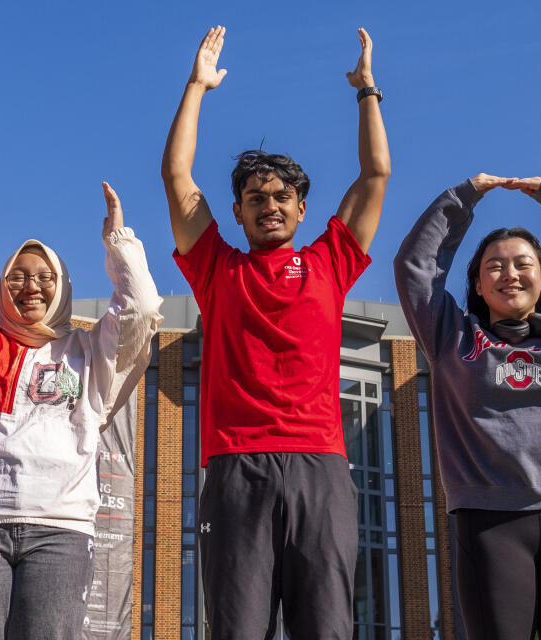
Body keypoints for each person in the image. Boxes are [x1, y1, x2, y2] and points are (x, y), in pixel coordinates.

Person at [159, 25, 391, 639]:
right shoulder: (217, 268)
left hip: (320, 465)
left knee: (327, 627)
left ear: (302, 208)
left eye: (284, 196)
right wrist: (197, 86)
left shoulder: (329, 262)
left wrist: (368, 91)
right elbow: (177, 177)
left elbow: (375, 177)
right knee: (238, 629)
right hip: (236, 467)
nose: (270, 204)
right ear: (236, 210)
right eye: (256, 196)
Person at [0, 165, 163, 640]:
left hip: (60, 532)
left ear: (63, 285)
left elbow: (144, 309)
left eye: (45, 276)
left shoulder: (91, 353)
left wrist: (118, 242)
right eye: (17, 278)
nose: (31, 286)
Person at [392, 173, 541, 639]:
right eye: (495, 267)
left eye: (522, 264)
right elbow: (415, 266)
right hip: (488, 522)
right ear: (478, 285)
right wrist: (463, 197)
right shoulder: (450, 336)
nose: (510, 274)